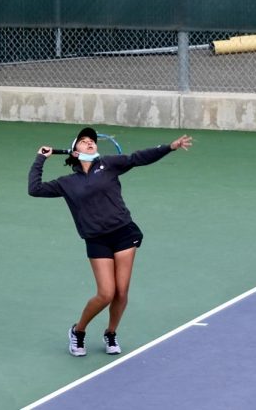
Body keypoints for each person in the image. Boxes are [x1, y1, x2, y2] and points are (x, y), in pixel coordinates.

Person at [28, 127, 193, 357]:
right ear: (75, 152)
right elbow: (34, 189)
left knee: (121, 293)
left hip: (123, 232)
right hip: (97, 239)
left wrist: (169, 147)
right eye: (84, 141)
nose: (90, 143)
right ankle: (78, 331)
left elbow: (138, 158)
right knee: (106, 293)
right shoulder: (67, 183)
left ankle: (111, 333)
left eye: (92, 141)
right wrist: (40, 158)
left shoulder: (109, 164)